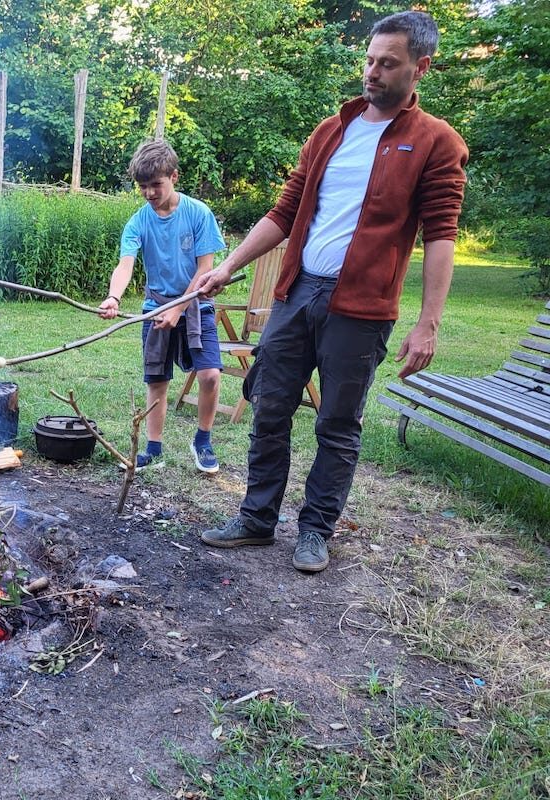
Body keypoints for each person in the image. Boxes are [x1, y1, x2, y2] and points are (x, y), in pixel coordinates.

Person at [194, 10, 469, 574]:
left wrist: (429, 322)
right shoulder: (330, 131)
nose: (372, 72)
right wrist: (228, 267)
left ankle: (315, 530)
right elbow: (286, 212)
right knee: (269, 405)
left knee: (338, 425)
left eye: (387, 64)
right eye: (369, 60)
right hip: (296, 295)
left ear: (421, 68)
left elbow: (442, 234)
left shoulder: (437, 142)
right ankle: (256, 518)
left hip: (361, 310)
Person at [100, 138, 227, 474]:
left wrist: (180, 308)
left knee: (210, 375)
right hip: (155, 308)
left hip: (196, 306)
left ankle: (203, 441)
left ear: (174, 176)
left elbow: (205, 269)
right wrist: (114, 296)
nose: (149, 193)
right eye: (143, 187)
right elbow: (125, 264)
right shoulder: (138, 221)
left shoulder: (198, 213)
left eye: (155, 184)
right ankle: (153, 449)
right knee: (156, 381)